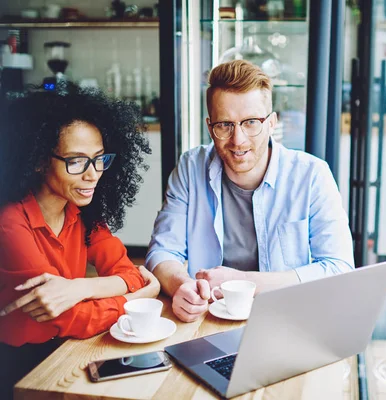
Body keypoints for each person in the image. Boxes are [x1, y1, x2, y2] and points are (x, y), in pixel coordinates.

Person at [146, 60, 354, 322]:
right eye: (225, 125)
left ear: (271, 123)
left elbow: (340, 269)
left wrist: (244, 281)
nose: (238, 140)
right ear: (210, 127)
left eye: (251, 122)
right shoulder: (190, 167)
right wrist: (181, 285)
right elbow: (162, 251)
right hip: (209, 318)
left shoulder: (312, 175)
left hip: (288, 318)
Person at [0, 83, 160, 399]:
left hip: (67, 350)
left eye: (100, 158)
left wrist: (79, 288)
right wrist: (136, 299)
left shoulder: (83, 216)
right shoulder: (10, 225)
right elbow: (68, 315)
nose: (94, 174)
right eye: (77, 161)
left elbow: (128, 273)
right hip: (17, 368)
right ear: (38, 160)